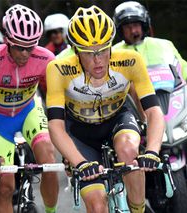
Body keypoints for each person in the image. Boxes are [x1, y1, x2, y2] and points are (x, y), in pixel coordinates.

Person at [46, 5, 164, 213]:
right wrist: (79, 162)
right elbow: (55, 125)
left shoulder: (130, 61)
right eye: (88, 53)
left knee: (129, 151)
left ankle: (138, 209)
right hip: (80, 133)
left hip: (118, 120)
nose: (98, 60)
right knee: (97, 206)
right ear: (75, 50)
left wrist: (153, 151)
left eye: (103, 50)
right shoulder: (58, 69)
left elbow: (154, 112)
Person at [0, 4, 59, 213]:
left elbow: (58, 101)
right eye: (19, 47)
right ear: (7, 40)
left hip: (28, 112)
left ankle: (51, 211)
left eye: (31, 47)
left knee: (48, 159)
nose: (25, 53)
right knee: (5, 186)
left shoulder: (46, 59)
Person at [113, 1, 187, 82]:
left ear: (144, 25)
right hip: (132, 96)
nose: (133, 31)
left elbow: (181, 65)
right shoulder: (113, 52)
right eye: (127, 27)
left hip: (169, 93)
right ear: (120, 30)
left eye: (136, 25)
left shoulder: (164, 44)